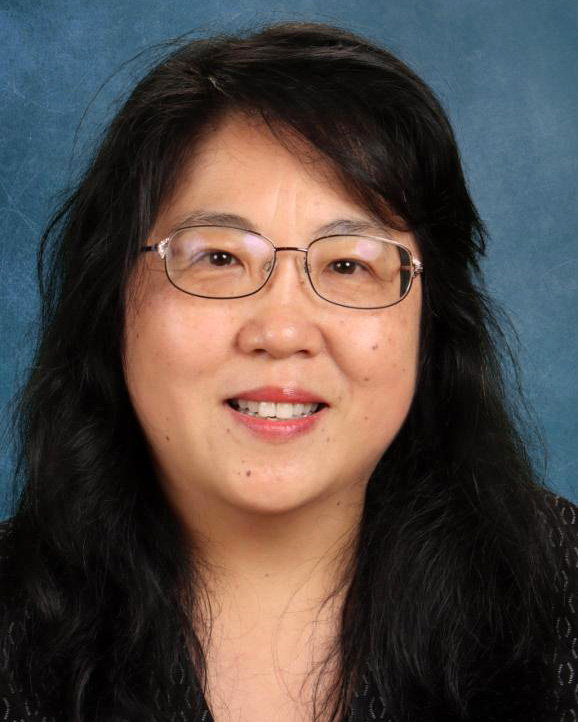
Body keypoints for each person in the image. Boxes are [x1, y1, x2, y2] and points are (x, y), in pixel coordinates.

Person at [0, 20, 576, 722]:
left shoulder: (561, 588)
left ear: (431, 322)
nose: (281, 332)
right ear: (111, 299)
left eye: (348, 265)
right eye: (218, 258)